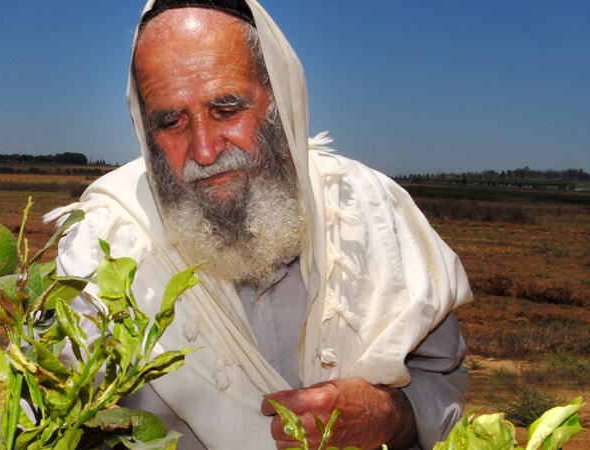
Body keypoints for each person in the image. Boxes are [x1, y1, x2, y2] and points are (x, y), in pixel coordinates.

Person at [46, 1, 473, 448]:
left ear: (278, 97)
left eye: (226, 109)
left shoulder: (370, 211)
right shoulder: (103, 245)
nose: (205, 150)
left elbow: (440, 378)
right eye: (171, 121)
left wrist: (390, 416)